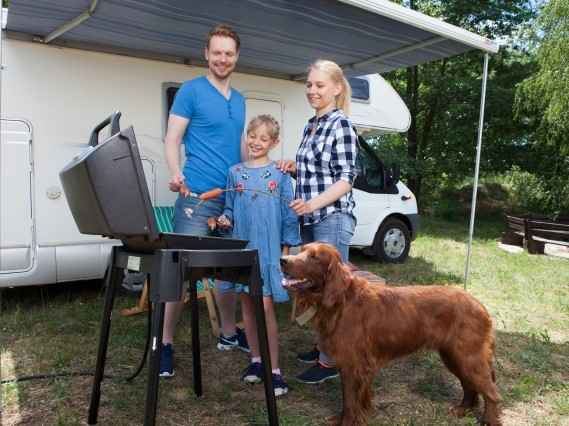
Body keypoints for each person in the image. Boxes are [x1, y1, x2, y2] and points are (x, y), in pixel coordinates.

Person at [161, 24, 249, 377]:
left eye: (229, 53)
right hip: (196, 199)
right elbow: (172, 138)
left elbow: (240, 146)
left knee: (230, 274)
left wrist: (254, 171)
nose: (222, 58)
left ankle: (228, 334)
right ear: (206, 54)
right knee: (178, 275)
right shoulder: (191, 91)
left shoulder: (240, 99)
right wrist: (174, 171)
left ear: (236, 56)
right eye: (217, 52)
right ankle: (163, 344)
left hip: (231, 201)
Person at [280, 59, 358, 384]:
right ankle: (322, 347)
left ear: (337, 88)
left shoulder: (341, 124)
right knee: (315, 288)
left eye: (319, 85)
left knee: (334, 293)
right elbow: (318, 170)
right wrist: (294, 168)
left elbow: (346, 178)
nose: (312, 90)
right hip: (311, 220)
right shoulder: (311, 124)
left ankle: (331, 361)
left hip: (332, 217)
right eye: (309, 85)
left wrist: (311, 202)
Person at [217, 114, 301, 396]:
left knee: (264, 309)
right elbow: (229, 208)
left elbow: (290, 217)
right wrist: (225, 220)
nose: (256, 142)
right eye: (252, 136)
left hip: (267, 254)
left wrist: (285, 256)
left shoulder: (280, 175)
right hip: (243, 253)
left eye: (263, 138)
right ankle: (255, 360)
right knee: (248, 308)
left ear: (274, 142)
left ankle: (274, 370)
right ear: (246, 136)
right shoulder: (234, 172)